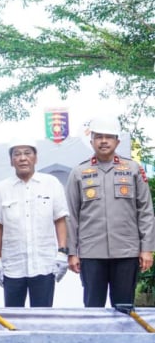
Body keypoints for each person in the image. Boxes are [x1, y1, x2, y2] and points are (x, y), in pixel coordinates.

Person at [66, 115, 155, 307]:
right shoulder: (79, 173)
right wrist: (72, 252)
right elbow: (71, 216)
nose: (104, 141)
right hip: (91, 253)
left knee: (124, 307)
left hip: (126, 251)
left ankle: (124, 339)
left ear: (117, 141)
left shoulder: (132, 169)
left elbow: (145, 210)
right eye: (99, 137)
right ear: (91, 141)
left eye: (109, 137)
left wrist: (146, 249)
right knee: (93, 306)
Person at [0, 138, 69, 307]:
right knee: (13, 316)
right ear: (11, 160)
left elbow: (60, 220)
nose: (22, 158)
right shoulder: (1, 188)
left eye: (27, 153)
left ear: (35, 157)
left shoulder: (51, 184)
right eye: (17, 154)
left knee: (43, 317)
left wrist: (62, 253)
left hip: (44, 264)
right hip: (13, 265)